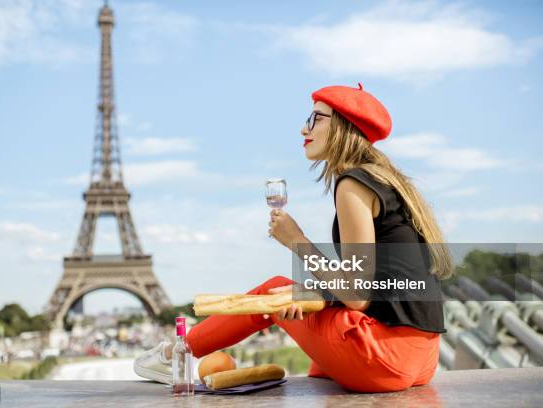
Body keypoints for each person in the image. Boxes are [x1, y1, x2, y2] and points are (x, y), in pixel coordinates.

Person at [134, 83, 452, 392]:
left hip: (386, 358)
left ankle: (174, 355)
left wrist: (296, 240)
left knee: (272, 290)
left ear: (343, 125)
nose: (304, 129)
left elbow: (357, 293)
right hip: (423, 357)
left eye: (315, 118)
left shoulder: (353, 184)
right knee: (295, 310)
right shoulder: (389, 184)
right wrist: (310, 295)